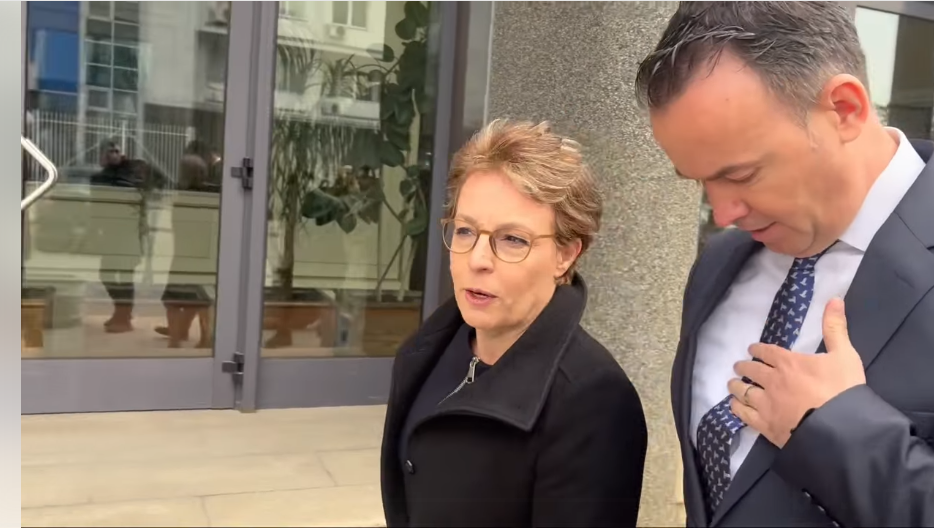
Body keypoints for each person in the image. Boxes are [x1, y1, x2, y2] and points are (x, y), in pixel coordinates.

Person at [635, 2, 934, 527]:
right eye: (700, 182)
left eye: (741, 175)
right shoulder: (719, 266)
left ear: (844, 109)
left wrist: (842, 431)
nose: (723, 213)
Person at [379, 119, 648, 527]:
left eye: (513, 240)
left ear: (565, 255)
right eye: (465, 231)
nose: (477, 259)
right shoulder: (426, 352)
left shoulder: (595, 401)